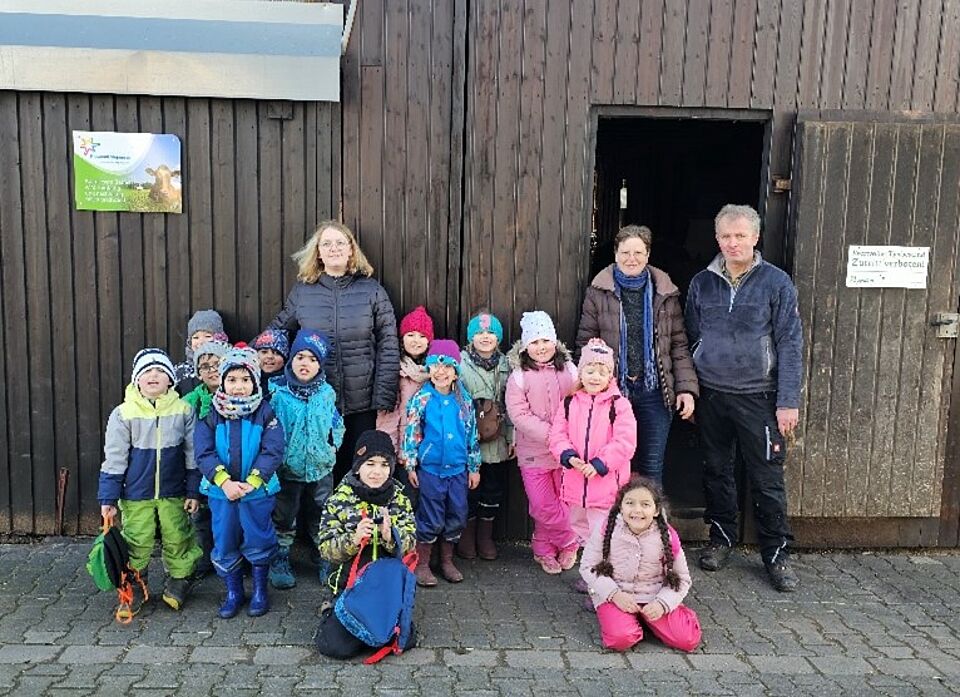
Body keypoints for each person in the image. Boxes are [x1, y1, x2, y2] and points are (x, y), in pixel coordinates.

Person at [685, 203, 803, 592]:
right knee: (716, 470)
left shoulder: (776, 283)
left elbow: (789, 343)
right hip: (713, 395)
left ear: (755, 238)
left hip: (760, 397)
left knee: (766, 477)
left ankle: (776, 554)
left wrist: (787, 400)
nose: (733, 243)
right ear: (717, 239)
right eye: (725, 236)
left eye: (740, 236)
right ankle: (721, 539)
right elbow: (691, 337)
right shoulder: (702, 282)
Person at [267, 220, 399, 482]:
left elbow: (388, 342)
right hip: (315, 402)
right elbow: (278, 330)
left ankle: (356, 523)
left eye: (340, 242)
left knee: (358, 471)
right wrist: (242, 355)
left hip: (363, 403)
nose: (334, 248)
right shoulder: (303, 292)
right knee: (322, 476)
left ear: (351, 250)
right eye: (326, 243)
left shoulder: (372, 290)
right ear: (318, 252)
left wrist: (384, 393)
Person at [576, 225, 698, 481]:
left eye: (638, 252)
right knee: (615, 465)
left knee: (652, 467)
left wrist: (686, 389)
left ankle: (652, 521)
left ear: (648, 254)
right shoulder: (598, 292)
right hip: (612, 392)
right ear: (615, 253)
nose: (631, 259)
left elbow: (678, 344)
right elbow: (585, 344)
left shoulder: (665, 293)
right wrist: (584, 388)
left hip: (655, 393)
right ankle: (617, 521)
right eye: (625, 252)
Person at [98, 348, 202, 617]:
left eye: (160, 371)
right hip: (135, 493)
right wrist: (108, 499)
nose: (153, 375)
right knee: (137, 539)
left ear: (170, 379)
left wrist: (193, 490)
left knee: (178, 536)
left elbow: (193, 454)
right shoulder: (123, 414)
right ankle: (134, 581)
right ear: (136, 380)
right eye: (146, 372)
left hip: (174, 491)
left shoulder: (184, 410)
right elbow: (115, 458)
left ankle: (179, 580)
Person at [194, 346, 286, 618]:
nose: (238, 387)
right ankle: (234, 592)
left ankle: (259, 590)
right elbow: (203, 452)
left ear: (255, 382)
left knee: (259, 536)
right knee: (224, 540)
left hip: (256, 492)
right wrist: (223, 482)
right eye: (232, 380)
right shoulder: (211, 414)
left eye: (245, 380)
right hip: (222, 493)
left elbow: (273, 449)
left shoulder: (265, 413)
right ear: (222, 382)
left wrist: (255, 479)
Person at [315, 430, 417, 659]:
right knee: (335, 648)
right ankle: (331, 612)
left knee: (406, 639)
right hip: (349, 589)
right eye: (370, 463)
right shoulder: (339, 500)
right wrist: (352, 540)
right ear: (358, 466)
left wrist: (391, 538)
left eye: (384, 464)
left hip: (384, 591)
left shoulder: (399, 499)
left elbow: (411, 545)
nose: (377, 472)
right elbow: (325, 549)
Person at [579, 477, 701, 653]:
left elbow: (681, 578)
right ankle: (626, 619)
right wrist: (614, 595)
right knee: (620, 640)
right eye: (630, 503)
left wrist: (662, 604)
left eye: (645, 504)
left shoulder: (667, 536)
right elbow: (588, 566)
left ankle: (651, 618)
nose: (637, 510)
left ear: (657, 510)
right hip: (617, 595)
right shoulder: (606, 529)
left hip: (654, 596)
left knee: (687, 640)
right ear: (620, 507)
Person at [267, 329, 345, 590]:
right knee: (284, 515)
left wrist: (333, 446)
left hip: (321, 466)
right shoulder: (279, 394)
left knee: (322, 511)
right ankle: (281, 557)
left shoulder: (326, 393)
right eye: (300, 357)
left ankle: (324, 555)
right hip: (287, 469)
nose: (305, 363)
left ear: (320, 365)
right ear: (291, 360)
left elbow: (336, 422)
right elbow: (270, 428)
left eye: (312, 359)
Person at [504, 310, 580, 575]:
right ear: (526, 346)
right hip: (533, 452)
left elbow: (580, 404)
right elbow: (519, 415)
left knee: (564, 500)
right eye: (534, 342)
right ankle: (570, 539)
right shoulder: (519, 376)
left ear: (555, 342)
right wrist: (552, 434)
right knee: (542, 504)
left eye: (545, 341)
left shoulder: (570, 370)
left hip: (567, 453)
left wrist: (568, 436)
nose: (541, 347)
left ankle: (543, 547)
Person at [401, 339, 481, 587]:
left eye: (447, 367)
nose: (441, 371)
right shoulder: (422, 398)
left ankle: (446, 559)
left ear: (456, 371)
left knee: (457, 513)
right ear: (429, 369)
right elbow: (412, 431)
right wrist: (411, 463)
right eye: (436, 365)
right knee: (430, 515)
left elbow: (471, 434)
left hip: (458, 469)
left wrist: (474, 466)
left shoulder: (464, 400)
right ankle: (423, 562)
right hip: (431, 470)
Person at [549, 338, 636, 547]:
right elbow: (557, 435)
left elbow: (625, 442)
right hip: (575, 484)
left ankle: (603, 573)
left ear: (610, 375)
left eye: (601, 372)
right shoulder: (569, 402)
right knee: (580, 528)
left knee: (603, 532)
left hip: (605, 486)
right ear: (581, 373)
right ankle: (591, 572)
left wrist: (599, 464)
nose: (595, 377)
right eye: (590, 371)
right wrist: (569, 457)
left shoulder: (619, 405)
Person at [457, 311, 513, 561]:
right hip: (469, 438)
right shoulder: (460, 363)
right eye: (479, 333)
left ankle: (485, 536)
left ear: (498, 338)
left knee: (493, 488)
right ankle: (467, 536)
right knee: (470, 489)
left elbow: (512, 402)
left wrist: (512, 436)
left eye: (490, 333)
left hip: (498, 438)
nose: (485, 337)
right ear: (471, 338)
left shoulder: (507, 364)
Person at [180, 339, 232, 577]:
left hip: (230, 465)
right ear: (198, 373)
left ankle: (229, 556)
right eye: (205, 366)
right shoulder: (191, 401)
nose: (212, 370)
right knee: (200, 514)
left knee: (227, 515)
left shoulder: (237, 395)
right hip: (200, 466)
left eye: (217, 364)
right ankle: (203, 556)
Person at [375, 305, 434, 503]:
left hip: (428, 447)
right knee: (406, 498)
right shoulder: (395, 371)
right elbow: (388, 416)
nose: (416, 341)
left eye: (422, 336)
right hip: (401, 449)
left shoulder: (436, 372)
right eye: (410, 334)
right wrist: (393, 449)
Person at [173, 309, 229, 395]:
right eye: (196, 337)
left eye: (207, 336)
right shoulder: (181, 370)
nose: (201, 341)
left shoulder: (229, 364)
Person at [252, 329, 290, 397]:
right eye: (264, 352)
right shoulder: (248, 379)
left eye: (276, 353)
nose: (270, 356)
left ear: (285, 360)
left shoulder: (289, 385)